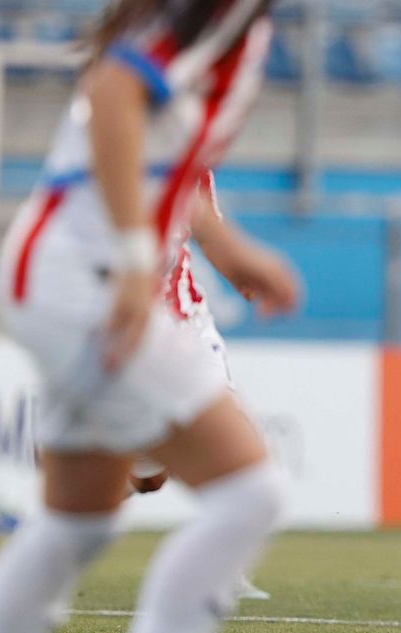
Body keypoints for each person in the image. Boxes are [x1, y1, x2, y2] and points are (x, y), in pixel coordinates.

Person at [0, 2, 296, 632]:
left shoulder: (217, 18)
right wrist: (134, 259)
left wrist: (229, 251)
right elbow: (114, 89)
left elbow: (167, 155)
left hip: (58, 268)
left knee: (76, 524)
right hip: (84, 276)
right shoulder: (223, 10)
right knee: (250, 495)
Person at [126, 168, 285, 602]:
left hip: (190, 328)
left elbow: (207, 226)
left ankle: (223, 573)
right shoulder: (117, 149)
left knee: (248, 463)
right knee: (150, 478)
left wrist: (242, 273)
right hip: (134, 334)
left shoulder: (194, 160)